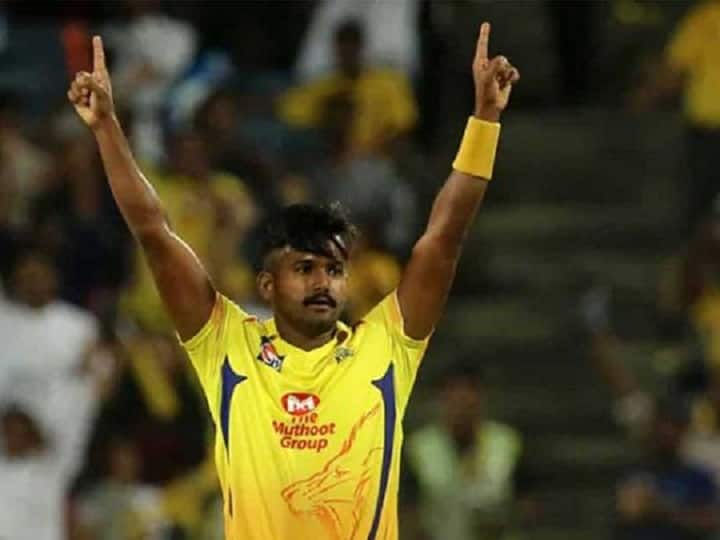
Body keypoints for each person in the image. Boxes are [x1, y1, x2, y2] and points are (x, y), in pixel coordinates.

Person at [67, 22, 519, 539]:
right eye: (305, 268)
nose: (322, 282)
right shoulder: (228, 347)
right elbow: (154, 232)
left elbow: (443, 238)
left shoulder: (384, 348)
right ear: (266, 285)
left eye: (334, 269)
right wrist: (107, 128)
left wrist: (485, 120)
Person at [406, 363, 524, 540]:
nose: (462, 407)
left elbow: (527, 504)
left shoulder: (506, 442)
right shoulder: (418, 448)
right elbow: (407, 512)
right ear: (442, 400)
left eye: (469, 399)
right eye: (455, 399)